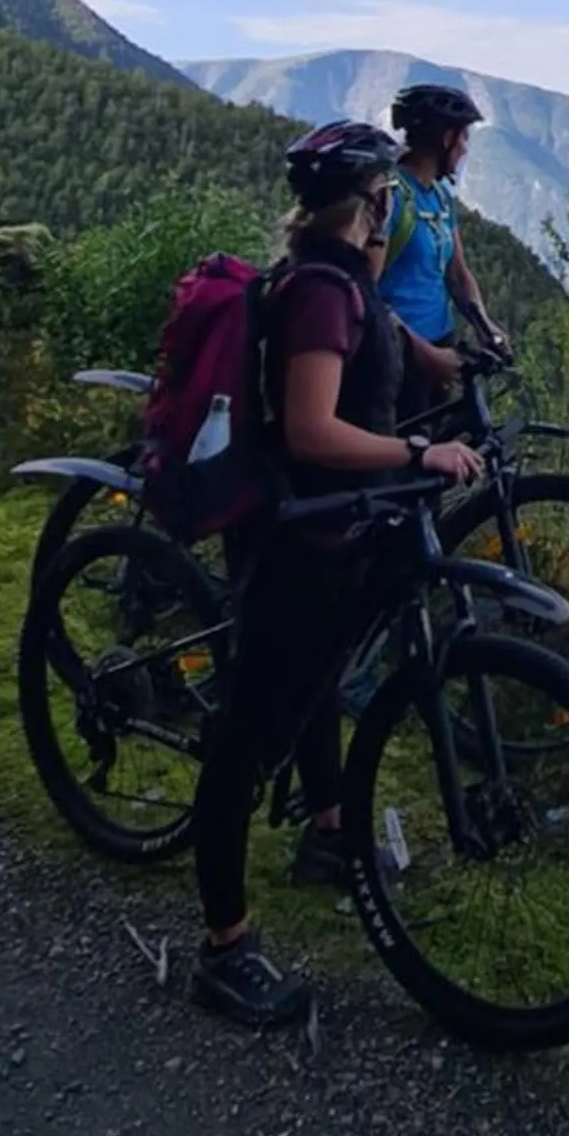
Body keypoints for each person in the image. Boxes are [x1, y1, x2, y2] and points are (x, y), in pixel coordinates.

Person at [189, 119, 482, 1029]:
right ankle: (223, 948)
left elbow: (374, 377)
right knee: (244, 741)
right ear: (367, 204)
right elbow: (313, 430)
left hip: (338, 529)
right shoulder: (320, 293)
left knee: (323, 681)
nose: (392, 207)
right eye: (384, 196)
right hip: (297, 540)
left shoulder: (344, 278)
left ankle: (326, 833)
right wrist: (415, 453)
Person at [378, 81, 510, 413]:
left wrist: (485, 326)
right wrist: (426, 354)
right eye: (463, 137)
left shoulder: (440, 198)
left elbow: (457, 274)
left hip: (441, 346)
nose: (465, 148)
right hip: (395, 356)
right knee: (405, 441)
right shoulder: (390, 197)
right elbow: (366, 294)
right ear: (445, 138)